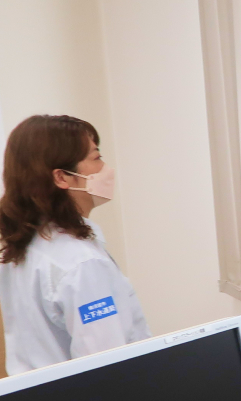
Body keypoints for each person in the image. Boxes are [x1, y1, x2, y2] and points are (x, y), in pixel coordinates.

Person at [0, 115, 150, 375]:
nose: (105, 168)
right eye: (96, 157)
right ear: (62, 177)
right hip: (87, 396)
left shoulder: (21, 248)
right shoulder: (81, 263)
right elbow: (107, 367)